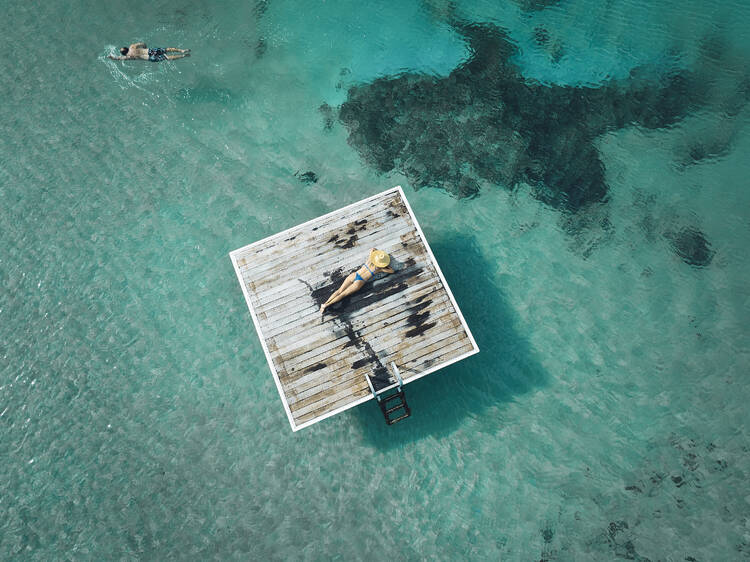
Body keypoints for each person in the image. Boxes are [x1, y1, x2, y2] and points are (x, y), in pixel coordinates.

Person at [320, 248, 395, 314]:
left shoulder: (369, 260)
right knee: (343, 294)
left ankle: (325, 303)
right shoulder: (379, 268)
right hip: (360, 281)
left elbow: (373, 249)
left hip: (354, 275)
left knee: (339, 290)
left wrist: (377, 254)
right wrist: (384, 265)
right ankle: (326, 305)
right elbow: (391, 271)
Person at [108, 42, 190, 62]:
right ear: (127, 48)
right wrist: (145, 48)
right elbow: (143, 43)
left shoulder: (129, 56)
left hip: (150, 58)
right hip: (150, 51)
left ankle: (183, 56)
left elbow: (119, 58)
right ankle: (181, 50)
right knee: (167, 49)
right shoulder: (132, 46)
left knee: (167, 57)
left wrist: (112, 57)